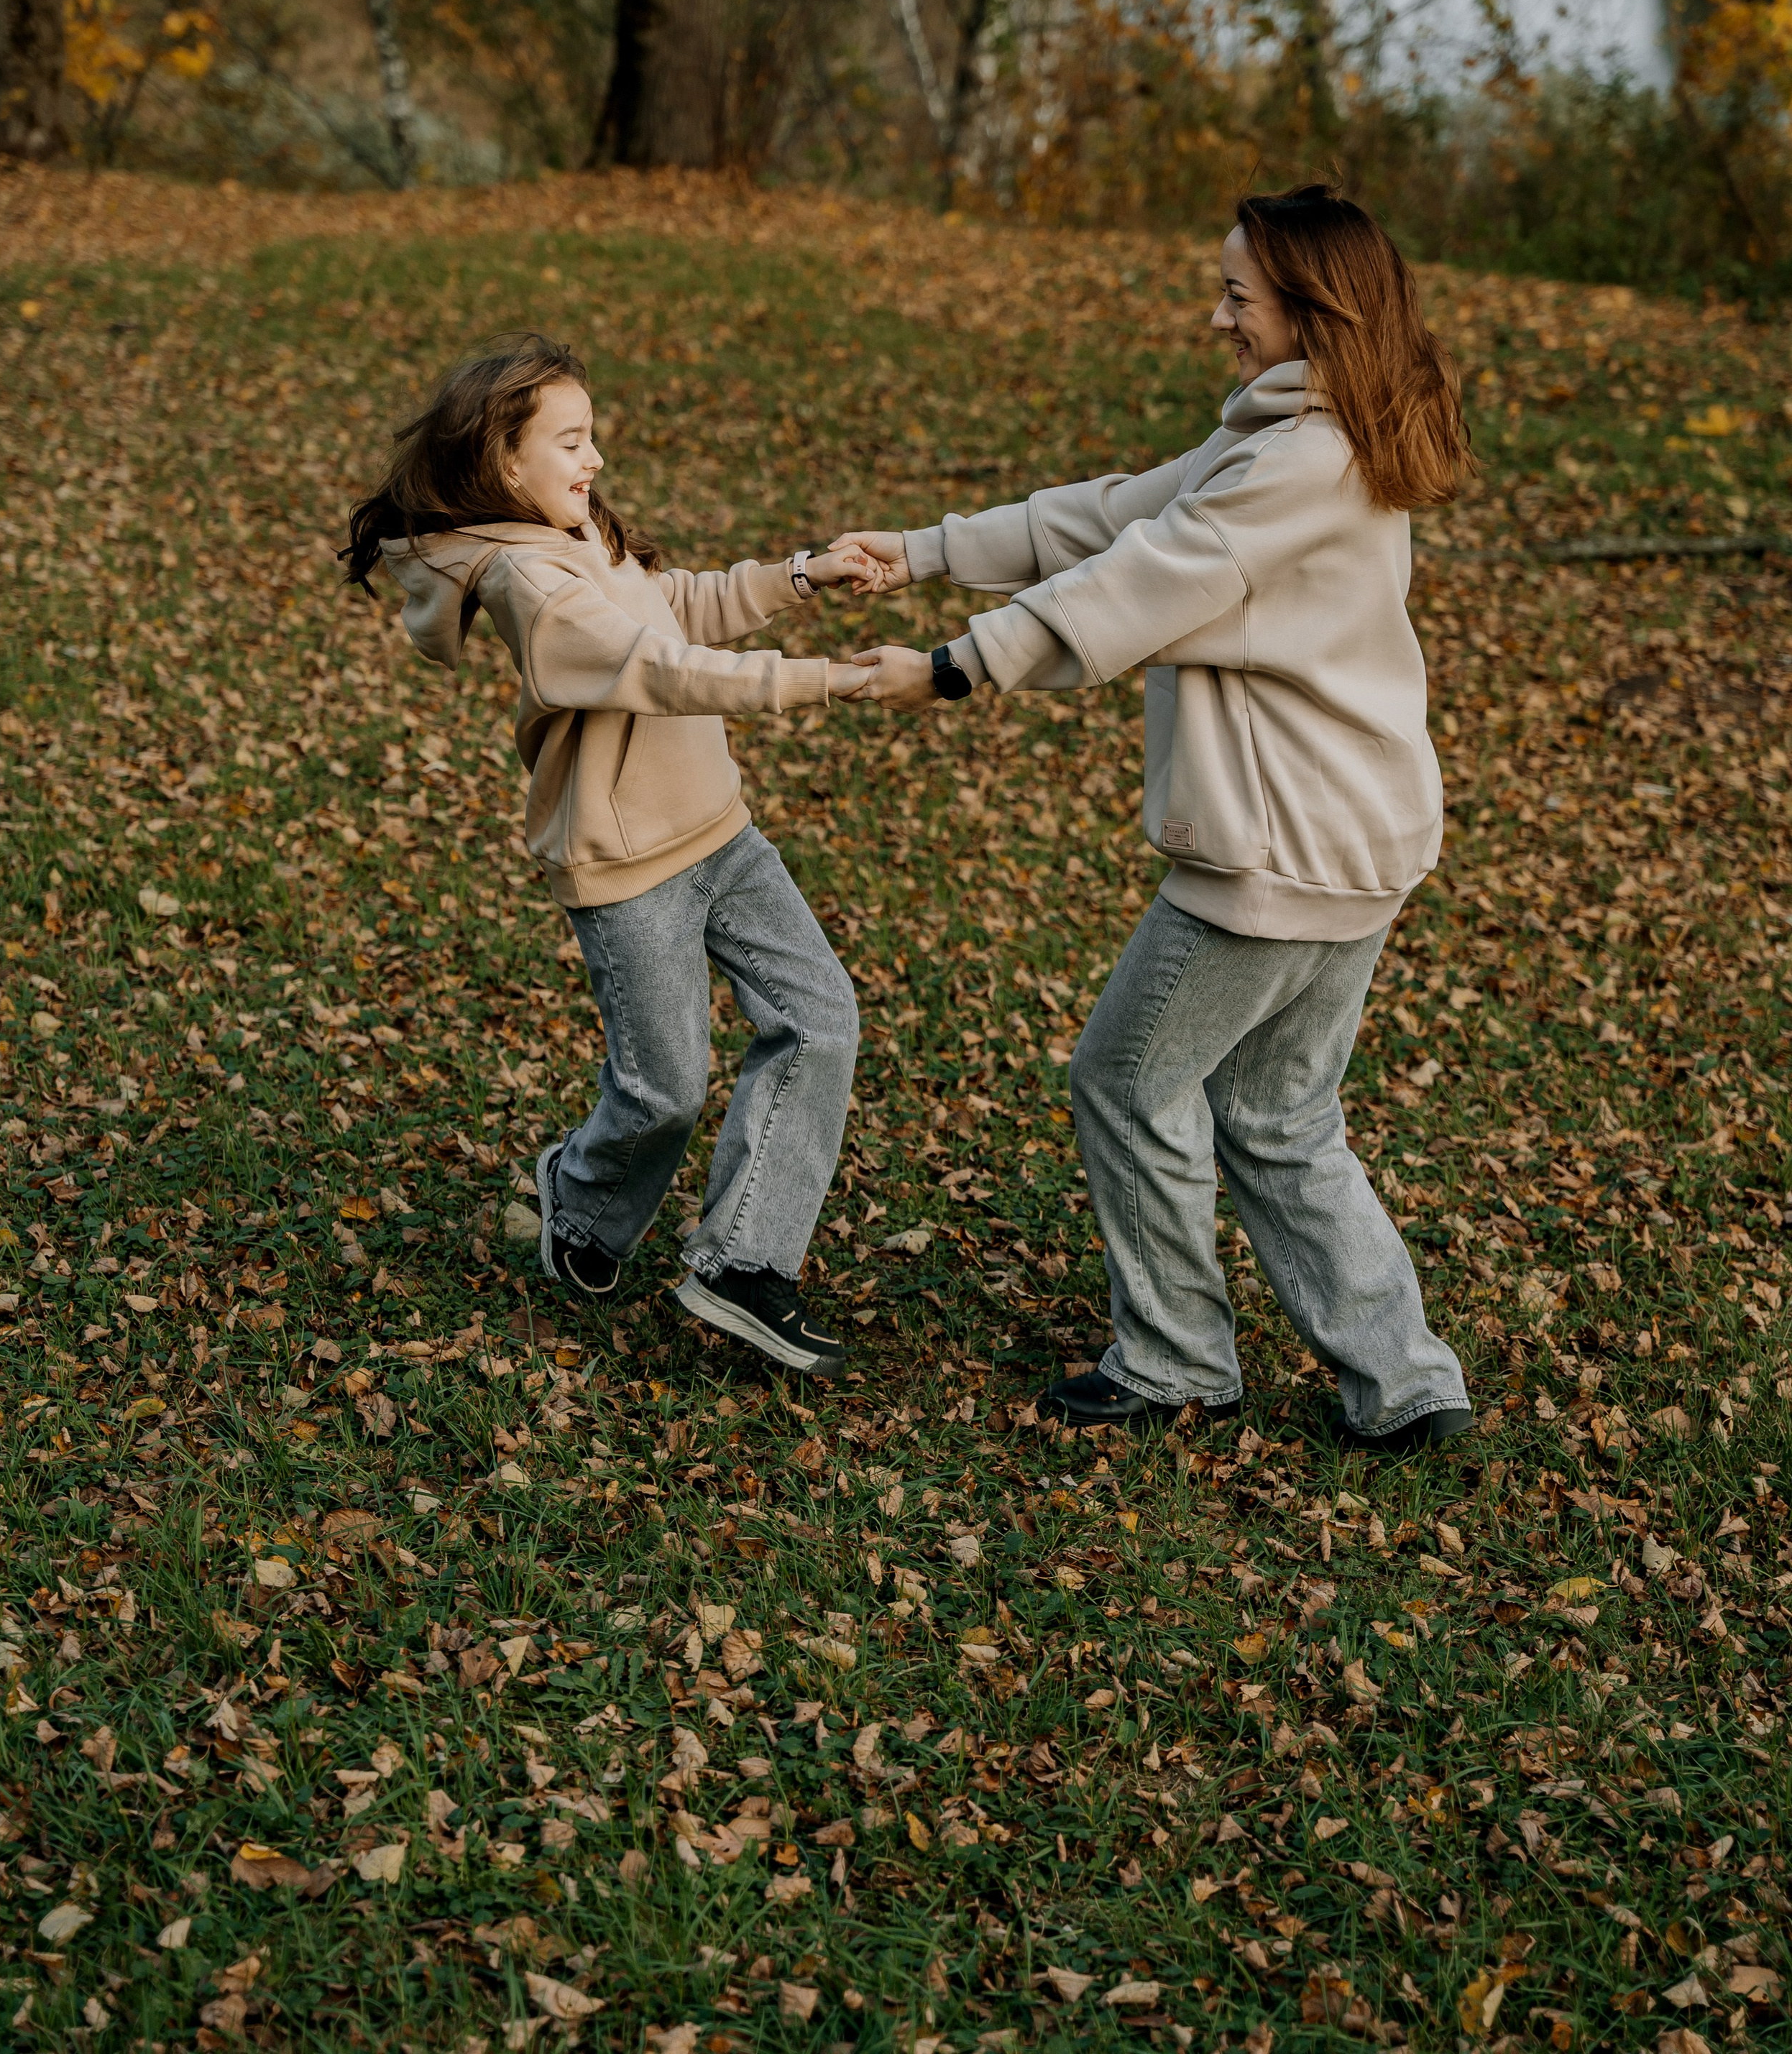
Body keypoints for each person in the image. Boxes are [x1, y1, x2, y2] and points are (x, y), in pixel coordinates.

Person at [835, 184, 1475, 1454]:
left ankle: (1177, 1360)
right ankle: (1405, 1384)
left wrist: (954, 665)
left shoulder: (1303, 461)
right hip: (1351, 840)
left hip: (1279, 848)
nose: (1218, 316)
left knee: (1125, 1078)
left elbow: (1146, 579)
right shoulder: (1307, 429)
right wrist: (918, 551)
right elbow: (1121, 511)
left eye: (1238, 295)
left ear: (1312, 308)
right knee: (1282, 1117)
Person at [344, 332, 886, 1381]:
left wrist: (799, 576)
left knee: (821, 1015)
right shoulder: (528, 585)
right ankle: (581, 1200)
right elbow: (664, 671)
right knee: (664, 1089)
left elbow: (670, 606)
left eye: (594, 440)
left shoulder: (579, 533)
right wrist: (828, 681)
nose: (594, 461)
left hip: (722, 833)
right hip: (625, 865)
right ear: (506, 460)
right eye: (573, 441)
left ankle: (743, 1265)